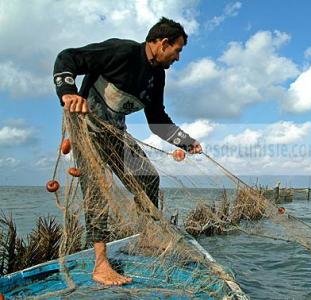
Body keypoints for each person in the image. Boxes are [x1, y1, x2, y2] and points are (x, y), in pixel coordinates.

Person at [53, 17, 202, 286]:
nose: (178, 57)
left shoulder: (157, 76)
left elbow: (157, 118)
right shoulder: (120, 52)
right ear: (163, 43)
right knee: (98, 189)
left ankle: (148, 236)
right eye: (177, 50)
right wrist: (68, 93)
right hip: (87, 128)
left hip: (115, 133)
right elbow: (67, 58)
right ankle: (101, 265)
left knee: (148, 177)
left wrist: (186, 142)